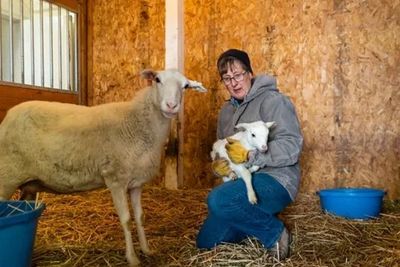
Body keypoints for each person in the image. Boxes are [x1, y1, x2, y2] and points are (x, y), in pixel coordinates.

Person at [196, 49, 303, 260]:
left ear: (250, 73)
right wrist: (220, 166)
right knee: (206, 242)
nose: (233, 82)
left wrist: (251, 156)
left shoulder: (273, 101)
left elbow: (292, 145)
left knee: (218, 200)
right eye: (227, 78)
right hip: (243, 181)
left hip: (276, 179)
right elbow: (224, 150)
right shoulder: (226, 112)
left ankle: (274, 233)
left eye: (238, 75)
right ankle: (253, 217)